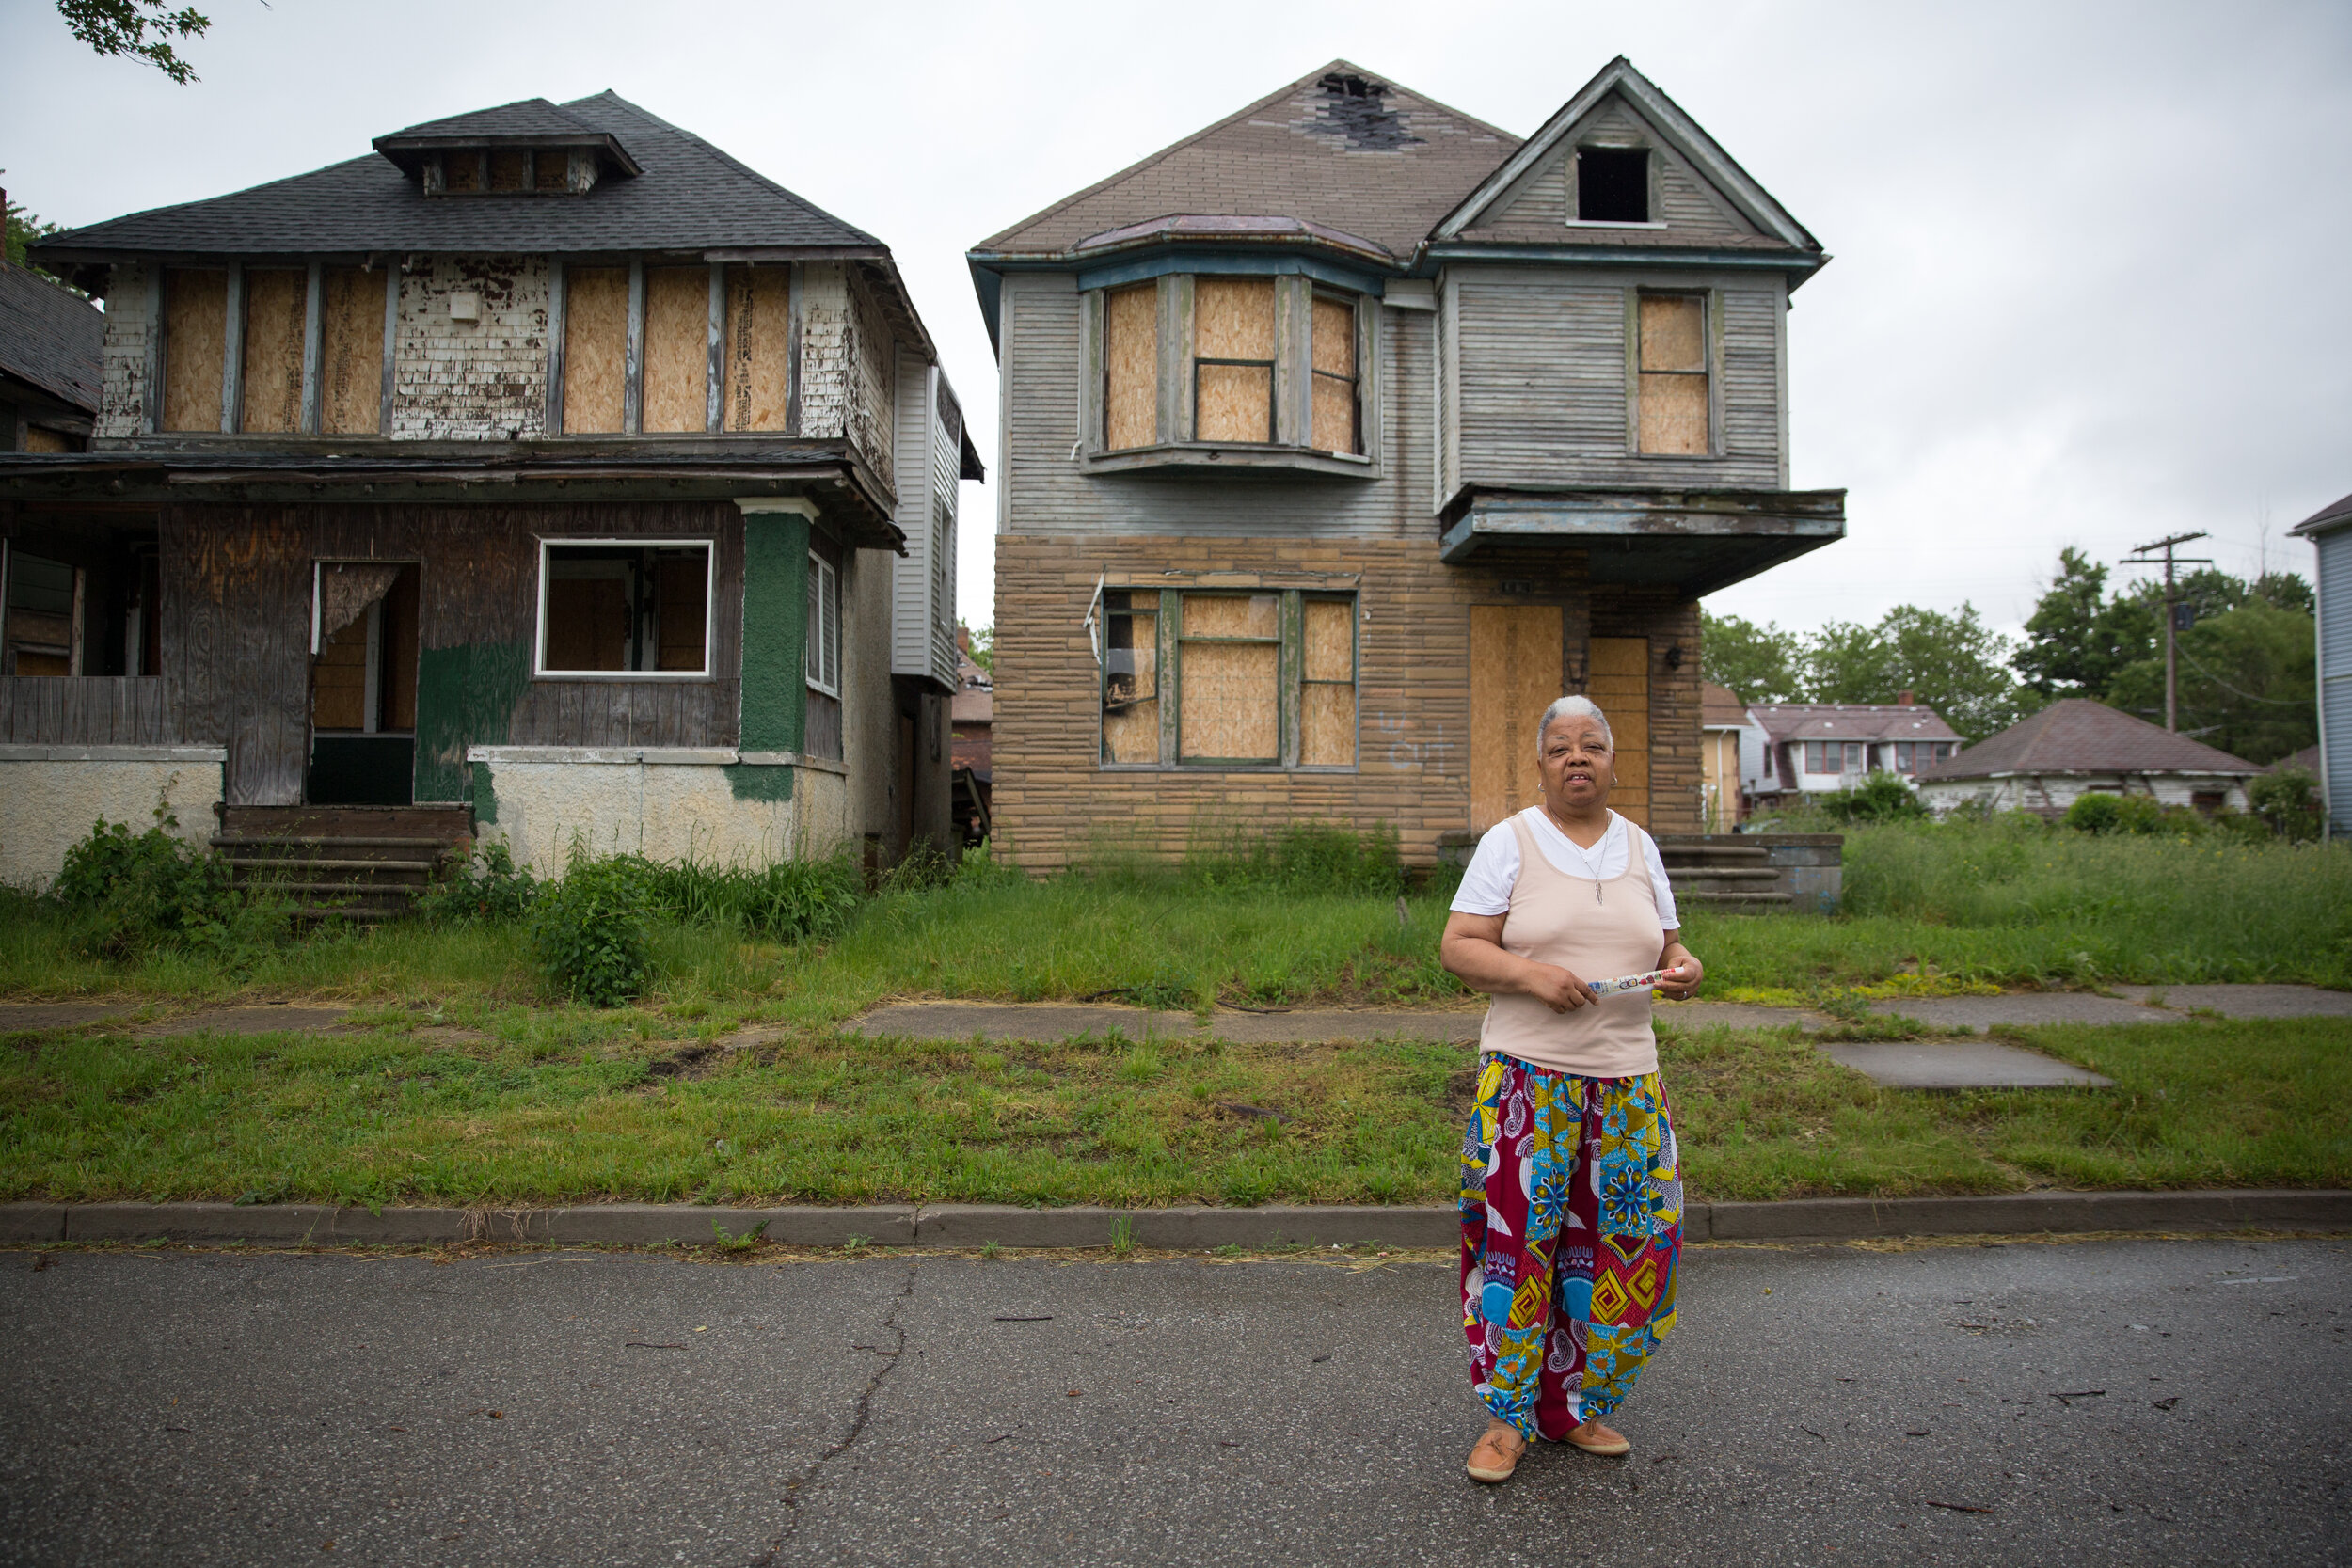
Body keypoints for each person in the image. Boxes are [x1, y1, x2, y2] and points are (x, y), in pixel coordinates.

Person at [1439, 694, 1701, 1483]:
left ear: (1614, 760)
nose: (1577, 758)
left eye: (1592, 745)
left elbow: (1670, 943)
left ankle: (1573, 1407)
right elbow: (1457, 946)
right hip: (1528, 1084)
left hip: (1626, 1085)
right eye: (1561, 748)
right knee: (1521, 1250)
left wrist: (1686, 968)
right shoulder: (1509, 841)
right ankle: (1509, 1417)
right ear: (1543, 764)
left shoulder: (1641, 846)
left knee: (1619, 1251)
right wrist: (1530, 975)